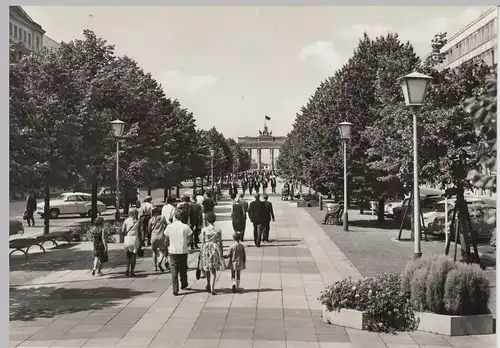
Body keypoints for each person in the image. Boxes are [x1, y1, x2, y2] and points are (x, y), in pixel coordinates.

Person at [164, 208, 193, 296]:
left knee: (174, 270)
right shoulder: (186, 227)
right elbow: (190, 239)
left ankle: (175, 289)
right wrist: (187, 243)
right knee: (183, 268)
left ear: (175, 217)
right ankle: (184, 283)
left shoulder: (169, 227)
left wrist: (166, 249)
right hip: (183, 250)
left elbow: (166, 240)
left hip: (172, 250)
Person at [200, 212, 225, 295]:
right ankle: (212, 287)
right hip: (215, 247)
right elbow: (220, 242)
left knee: (207, 267)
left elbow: (203, 242)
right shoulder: (218, 230)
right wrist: (221, 252)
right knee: (213, 269)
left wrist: (201, 251)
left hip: (206, 248)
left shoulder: (204, 230)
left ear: (207, 220)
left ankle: (208, 284)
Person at [122, 208, 141, 277]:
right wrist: (141, 241)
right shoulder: (137, 221)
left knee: (128, 255)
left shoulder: (126, 220)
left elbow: (122, 230)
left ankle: (127, 269)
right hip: (134, 239)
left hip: (127, 239)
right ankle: (132, 271)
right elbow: (139, 232)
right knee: (133, 255)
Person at [149, 207, 167, 272]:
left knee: (154, 252)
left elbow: (149, 229)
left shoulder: (151, 220)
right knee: (162, 251)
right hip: (161, 236)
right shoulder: (162, 218)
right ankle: (160, 263)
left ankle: (155, 266)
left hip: (153, 236)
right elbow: (166, 224)